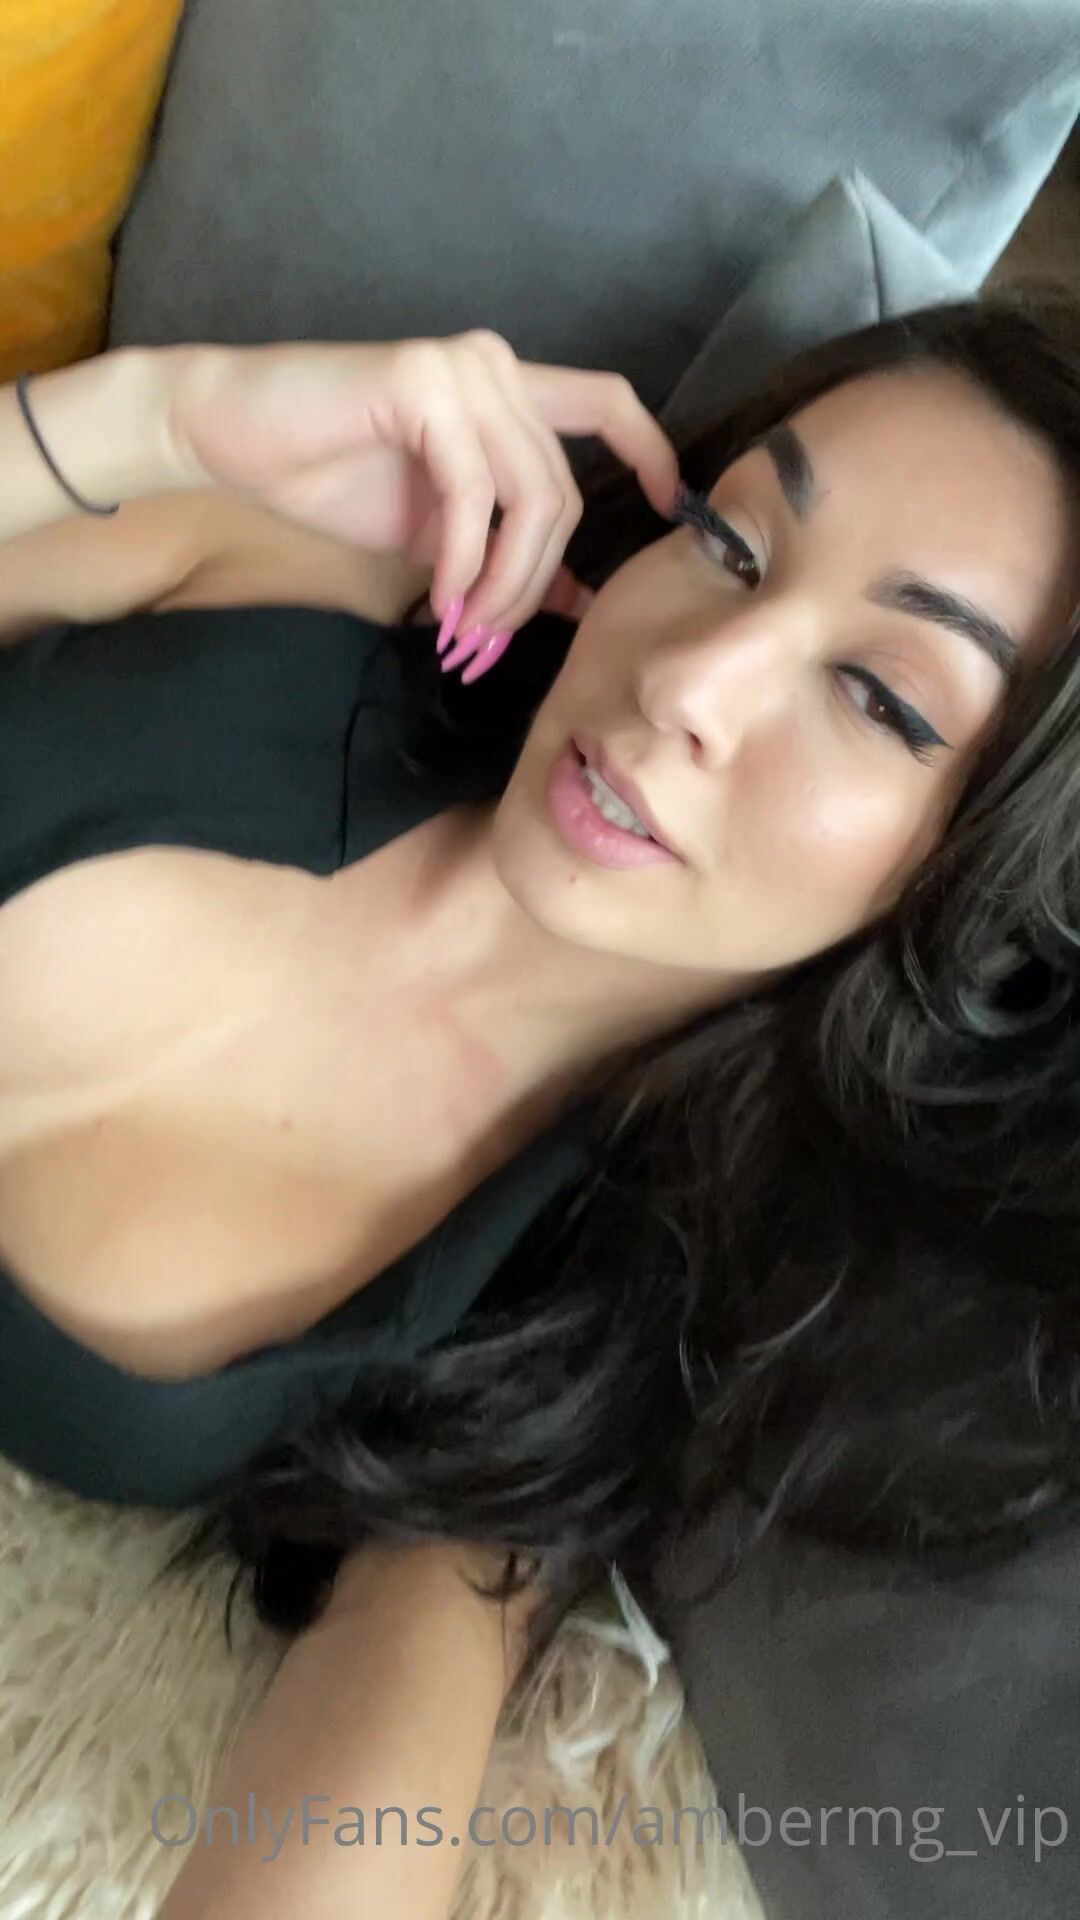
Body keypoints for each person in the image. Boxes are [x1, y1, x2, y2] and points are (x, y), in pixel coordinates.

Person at [0, 288, 1078, 1920]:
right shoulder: (312, 576)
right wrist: (152, 415)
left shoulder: (602, 1305)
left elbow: (375, 1747)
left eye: (882, 698)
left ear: (983, 903)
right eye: (730, 543)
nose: (694, 678)